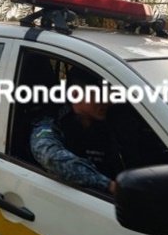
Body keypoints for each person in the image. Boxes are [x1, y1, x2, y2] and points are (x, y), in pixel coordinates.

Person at [30, 66, 124, 194]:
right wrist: (109, 185)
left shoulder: (112, 121)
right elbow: (50, 157)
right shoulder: (52, 124)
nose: (107, 101)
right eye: (99, 95)